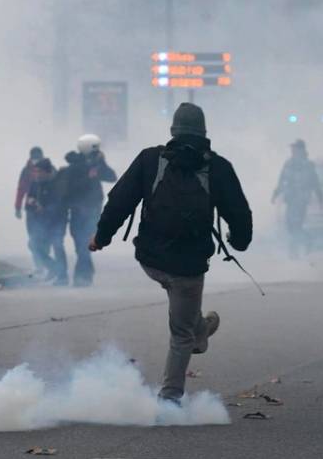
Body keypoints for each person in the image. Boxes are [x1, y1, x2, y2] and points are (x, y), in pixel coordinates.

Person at [89, 102, 253, 404]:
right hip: (189, 268)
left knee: (183, 315)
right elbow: (240, 213)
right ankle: (170, 399)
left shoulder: (150, 159)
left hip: (151, 260)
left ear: (173, 131)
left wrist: (101, 237)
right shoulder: (218, 168)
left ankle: (200, 329)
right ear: (204, 133)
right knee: (182, 335)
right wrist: (240, 242)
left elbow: (119, 201)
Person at [60, 134, 117, 287]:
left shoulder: (96, 165)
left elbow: (112, 177)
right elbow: (70, 189)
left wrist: (101, 164)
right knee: (81, 245)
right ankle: (84, 274)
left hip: (93, 211)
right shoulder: (74, 167)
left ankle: (83, 276)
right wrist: (89, 177)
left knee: (87, 244)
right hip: (78, 212)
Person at [271, 139, 323, 258]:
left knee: (296, 225)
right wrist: (275, 194)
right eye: (292, 148)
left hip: (302, 200)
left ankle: (294, 251)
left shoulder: (308, 165)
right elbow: (282, 180)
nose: (293, 150)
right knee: (289, 225)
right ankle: (308, 240)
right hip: (290, 199)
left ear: (301, 150)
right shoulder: (288, 163)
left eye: (295, 148)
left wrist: (320, 198)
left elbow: (315, 182)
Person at [29, 158, 69, 285]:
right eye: (35, 171)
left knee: (57, 245)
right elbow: (29, 199)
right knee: (34, 245)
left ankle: (63, 277)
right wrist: (31, 203)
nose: (36, 174)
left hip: (57, 221)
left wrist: (44, 209)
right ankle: (54, 268)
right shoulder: (35, 183)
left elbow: (60, 204)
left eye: (39, 171)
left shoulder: (57, 183)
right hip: (41, 222)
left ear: (47, 172)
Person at [15, 146, 46, 274]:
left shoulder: (47, 169)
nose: (36, 160)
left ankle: (43, 262)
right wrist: (17, 207)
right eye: (34, 157)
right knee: (33, 237)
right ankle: (39, 263)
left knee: (44, 237)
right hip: (31, 209)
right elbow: (21, 189)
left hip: (45, 210)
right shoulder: (26, 171)